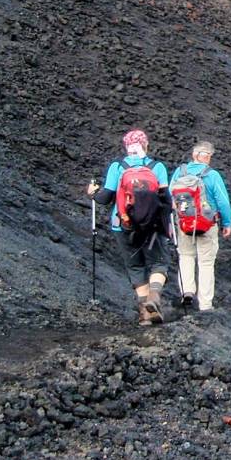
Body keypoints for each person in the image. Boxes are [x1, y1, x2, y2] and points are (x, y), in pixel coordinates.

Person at [87, 129, 171, 325]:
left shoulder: (118, 166)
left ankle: (145, 315)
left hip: (123, 225)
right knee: (159, 263)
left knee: (135, 266)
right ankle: (154, 298)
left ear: (126, 147)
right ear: (146, 145)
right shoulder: (157, 166)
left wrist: (93, 193)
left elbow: (105, 198)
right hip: (153, 226)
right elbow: (166, 199)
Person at [168, 141, 231, 313]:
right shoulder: (212, 175)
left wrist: (171, 222)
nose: (209, 159)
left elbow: (169, 197)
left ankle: (187, 291)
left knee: (186, 256)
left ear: (193, 155)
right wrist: (227, 223)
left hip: (183, 223)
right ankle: (205, 305)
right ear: (204, 156)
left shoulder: (179, 172)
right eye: (209, 156)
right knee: (206, 263)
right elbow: (223, 202)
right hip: (207, 224)